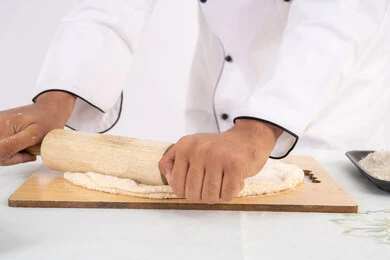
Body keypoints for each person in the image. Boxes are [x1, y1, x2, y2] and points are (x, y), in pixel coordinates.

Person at [1, 0, 389, 204]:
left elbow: (337, 20)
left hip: (322, 115)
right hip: (214, 120)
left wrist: (257, 131)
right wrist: (56, 99)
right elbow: (108, 8)